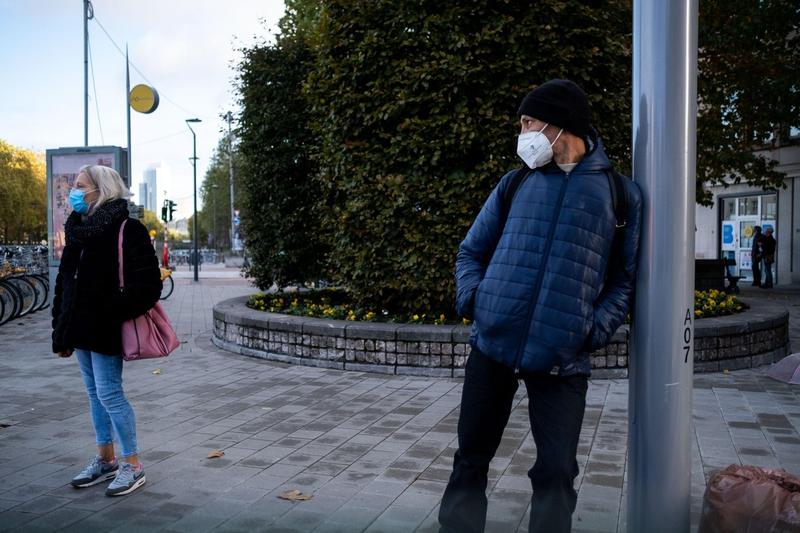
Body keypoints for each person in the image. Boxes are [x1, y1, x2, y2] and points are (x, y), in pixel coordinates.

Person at [440, 80, 642, 533]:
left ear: (559, 125)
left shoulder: (620, 195)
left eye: (528, 122)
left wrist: (589, 330)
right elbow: (470, 252)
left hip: (562, 360)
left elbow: (624, 279)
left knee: (556, 474)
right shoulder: (515, 184)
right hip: (493, 344)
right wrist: (478, 302)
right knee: (470, 459)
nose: (523, 133)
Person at [52, 165, 161, 497]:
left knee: (110, 394)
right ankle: (106, 459)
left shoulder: (128, 229)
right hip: (80, 329)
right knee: (94, 394)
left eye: (81, 186)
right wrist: (60, 328)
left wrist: (110, 310)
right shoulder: (78, 229)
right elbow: (64, 283)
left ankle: (133, 464)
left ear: (101, 190)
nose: (75, 192)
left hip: (105, 327)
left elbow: (148, 285)